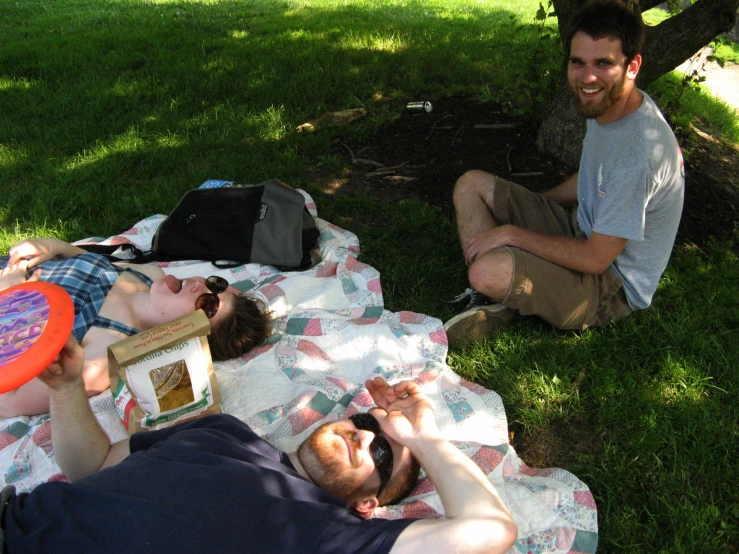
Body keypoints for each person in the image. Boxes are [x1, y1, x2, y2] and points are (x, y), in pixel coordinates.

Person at [0, 335, 518, 553]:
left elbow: (491, 532)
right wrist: (67, 389)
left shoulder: (328, 535)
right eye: (367, 420)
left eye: (383, 454)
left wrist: (422, 437)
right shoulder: (221, 429)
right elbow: (93, 466)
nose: (365, 434)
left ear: (369, 504)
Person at [443, 0, 685, 348]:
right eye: (578, 62)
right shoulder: (614, 106)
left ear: (632, 67)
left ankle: (496, 291)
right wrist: (536, 207)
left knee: (485, 271)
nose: (587, 78)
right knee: (471, 185)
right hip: (584, 231)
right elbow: (592, 178)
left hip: (609, 286)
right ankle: (505, 293)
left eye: (603, 63)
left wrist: (512, 232)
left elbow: (595, 258)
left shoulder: (638, 154)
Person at [0, 238, 271, 417]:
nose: (199, 285)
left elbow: (9, 400)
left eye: (207, 305)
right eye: (215, 286)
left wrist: (11, 298)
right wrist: (53, 246)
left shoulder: (102, 358)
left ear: (187, 334)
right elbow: (87, 259)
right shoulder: (150, 275)